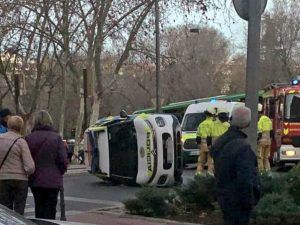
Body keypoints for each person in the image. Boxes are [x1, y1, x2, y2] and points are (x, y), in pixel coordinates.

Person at [211, 106, 260, 225]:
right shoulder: (243, 148)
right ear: (248, 122)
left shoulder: (220, 142)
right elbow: (245, 178)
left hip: (223, 195)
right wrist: (250, 200)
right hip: (238, 200)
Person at [26, 110, 68, 219]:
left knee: (39, 208)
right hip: (53, 180)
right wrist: (60, 171)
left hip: (36, 179)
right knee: (50, 209)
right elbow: (63, 160)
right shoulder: (56, 138)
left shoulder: (29, 138)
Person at [0, 116, 35, 215]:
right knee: (19, 211)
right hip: (20, 180)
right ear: (21, 127)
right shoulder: (21, 141)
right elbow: (30, 166)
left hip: (2, 179)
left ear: (8, 125)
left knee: (4, 211)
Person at [195, 106, 215, 175]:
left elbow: (198, 136)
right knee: (211, 163)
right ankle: (209, 176)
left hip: (202, 144)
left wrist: (199, 145)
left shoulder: (201, 124)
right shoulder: (213, 124)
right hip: (210, 145)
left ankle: (198, 175)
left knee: (201, 162)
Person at [257, 103, 272, 172]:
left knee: (259, 157)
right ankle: (268, 171)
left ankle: (261, 172)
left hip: (261, 142)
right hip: (268, 141)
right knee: (266, 158)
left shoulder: (260, 120)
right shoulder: (268, 119)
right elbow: (271, 130)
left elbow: (259, 131)